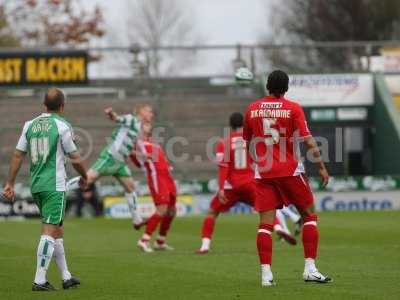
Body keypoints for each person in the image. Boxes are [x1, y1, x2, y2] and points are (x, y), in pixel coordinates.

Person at [243, 70, 332, 286]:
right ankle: (310, 269)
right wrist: (321, 167)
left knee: (264, 224)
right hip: (290, 171)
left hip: (263, 172)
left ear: (267, 86)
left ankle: (266, 275)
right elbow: (309, 141)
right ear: (286, 88)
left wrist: (256, 163)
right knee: (309, 216)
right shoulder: (293, 108)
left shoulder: (252, 109)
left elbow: (247, 141)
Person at [2, 88, 88, 291]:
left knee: (57, 229)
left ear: (44, 105)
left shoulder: (29, 125)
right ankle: (39, 280)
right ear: (62, 106)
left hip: (37, 185)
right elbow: (75, 157)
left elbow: (17, 155)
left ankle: (66, 276)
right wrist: (85, 176)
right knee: (50, 231)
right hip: (54, 185)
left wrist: (10, 183)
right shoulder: (62, 126)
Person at [197, 113, 296, 254]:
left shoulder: (224, 143)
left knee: (212, 213)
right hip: (250, 182)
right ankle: (278, 229)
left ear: (230, 125)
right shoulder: (252, 140)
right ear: (244, 125)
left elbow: (223, 167)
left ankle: (205, 246)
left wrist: (221, 188)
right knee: (266, 209)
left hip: (231, 186)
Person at [68, 104, 154, 230]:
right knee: (86, 179)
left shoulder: (139, 128)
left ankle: (137, 220)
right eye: (149, 111)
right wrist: (111, 114)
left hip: (120, 163)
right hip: (110, 157)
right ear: (141, 112)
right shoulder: (132, 119)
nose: (151, 114)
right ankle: (58, 190)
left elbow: (129, 148)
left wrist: (142, 155)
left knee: (131, 187)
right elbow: (117, 118)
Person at [130, 122, 177, 252]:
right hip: (157, 177)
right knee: (162, 209)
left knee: (172, 210)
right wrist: (142, 157)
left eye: (148, 124)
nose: (148, 125)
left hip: (167, 176)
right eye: (145, 124)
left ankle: (160, 241)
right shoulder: (138, 142)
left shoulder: (152, 141)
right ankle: (144, 240)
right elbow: (129, 151)